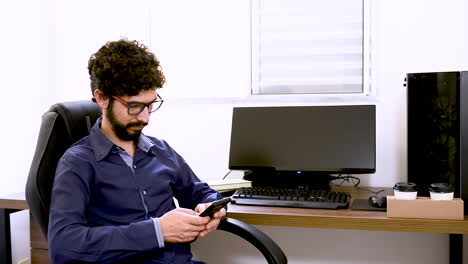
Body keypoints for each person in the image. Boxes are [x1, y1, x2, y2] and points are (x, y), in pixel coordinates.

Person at [48, 38, 226, 264]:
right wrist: (157, 231)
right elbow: (64, 245)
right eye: (134, 106)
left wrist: (211, 207)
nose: (145, 117)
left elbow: (201, 192)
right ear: (102, 98)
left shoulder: (161, 150)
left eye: (150, 104)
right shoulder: (78, 162)